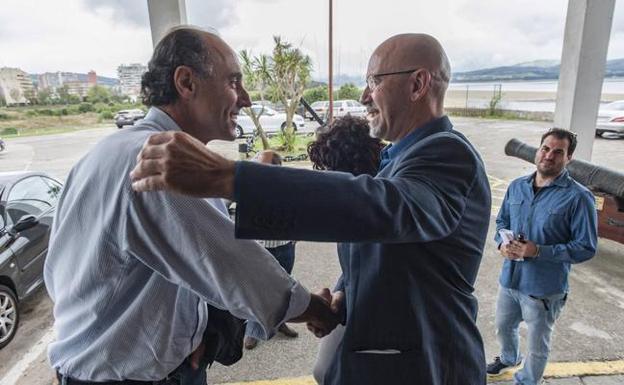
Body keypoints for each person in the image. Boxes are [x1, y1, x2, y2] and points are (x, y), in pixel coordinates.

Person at [131, 33, 492, 385]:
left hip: (422, 369)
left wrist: (231, 178)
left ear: (417, 84)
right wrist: (343, 294)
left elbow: (387, 209)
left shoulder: (446, 154)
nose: (365, 95)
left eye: (374, 81)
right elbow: (386, 245)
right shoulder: (399, 157)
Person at [44, 27, 337, 385]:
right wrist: (316, 310)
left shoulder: (107, 151)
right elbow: (237, 269)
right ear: (186, 83)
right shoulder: (158, 164)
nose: (245, 99)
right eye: (233, 82)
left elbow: (73, 274)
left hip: (111, 368)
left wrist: (194, 331)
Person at [486, 128, 597, 385]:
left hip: (543, 289)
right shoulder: (516, 187)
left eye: (558, 152)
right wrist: (501, 245)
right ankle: (508, 357)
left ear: (568, 158)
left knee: (537, 345)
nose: (549, 155)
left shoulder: (579, 197)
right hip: (510, 280)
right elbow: (502, 221)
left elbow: (586, 247)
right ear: (538, 151)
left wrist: (538, 251)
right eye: (545, 148)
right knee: (504, 327)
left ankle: (526, 381)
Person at [306, 115, 384, 384]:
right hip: (353, 299)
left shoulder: (380, 205)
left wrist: (335, 308)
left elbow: (380, 273)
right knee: (323, 371)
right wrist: (340, 292)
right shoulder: (349, 204)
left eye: (328, 169)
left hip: (383, 320)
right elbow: (353, 264)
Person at [243, 150, 299, 350]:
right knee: (256, 290)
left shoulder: (287, 188)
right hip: (257, 249)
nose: (256, 165)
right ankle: (252, 330)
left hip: (284, 248)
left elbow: (300, 212)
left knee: (284, 290)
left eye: (262, 163)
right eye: (255, 161)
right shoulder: (248, 187)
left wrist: (295, 237)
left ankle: (279, 322)